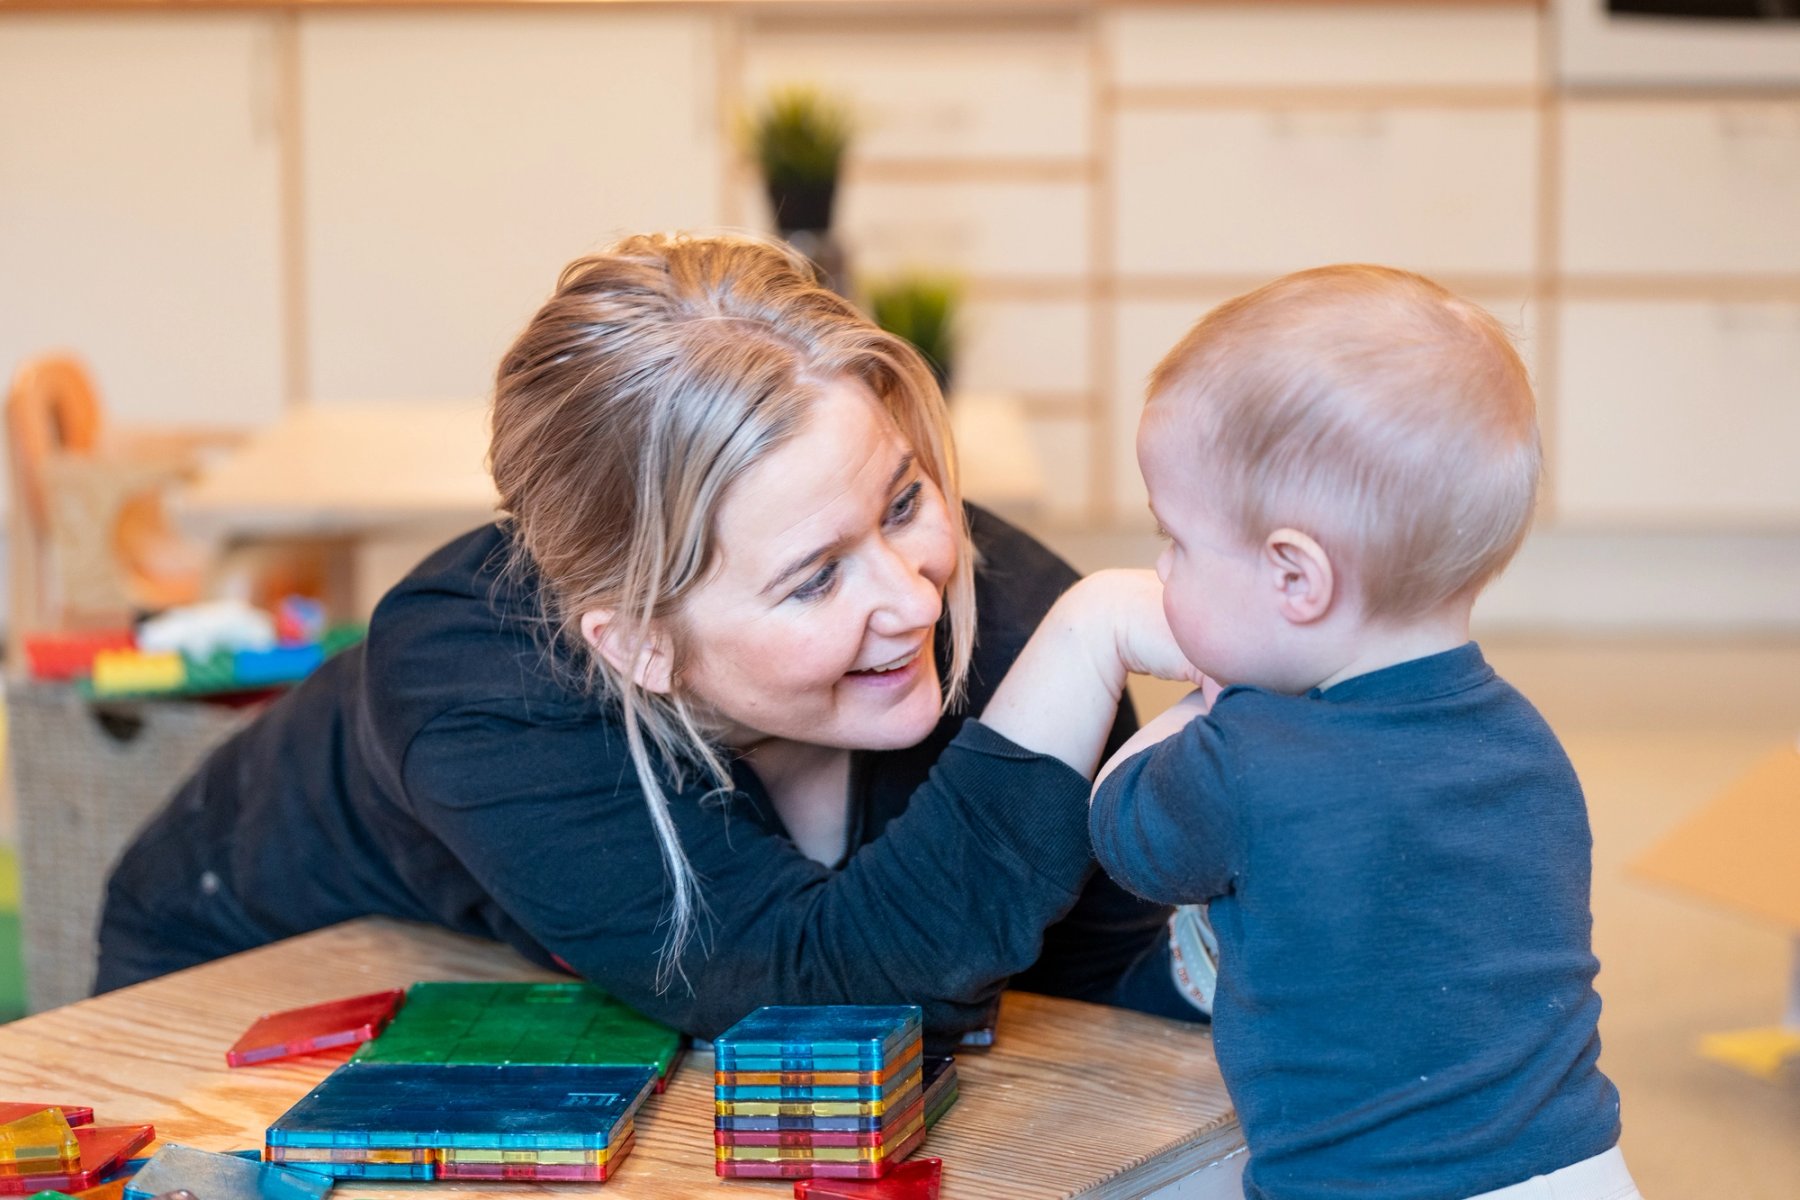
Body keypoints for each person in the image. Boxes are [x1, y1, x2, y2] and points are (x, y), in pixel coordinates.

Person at [96, 232, 1207, 1041]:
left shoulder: (1004, 609)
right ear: (638, 646)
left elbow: (1097, 982)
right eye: (815, 578)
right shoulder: (476, 683)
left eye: (905, 501)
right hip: (257, 965)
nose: (916, 599)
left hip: (544, 979)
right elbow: (828, 998)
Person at [1089, 266, 1636, 1200]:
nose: (1159, 564)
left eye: (1176, 540)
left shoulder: (1247, 752)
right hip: (1579, 1169)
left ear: (1294, 579)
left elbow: (1120, 829)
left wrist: (1194, 695)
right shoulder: (1529, 745)